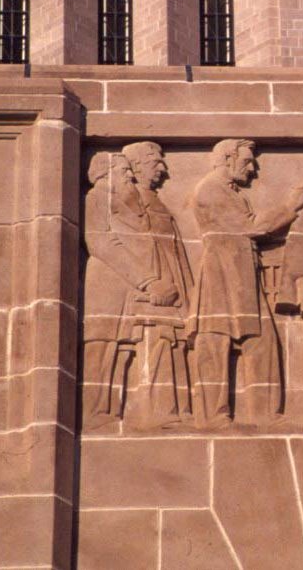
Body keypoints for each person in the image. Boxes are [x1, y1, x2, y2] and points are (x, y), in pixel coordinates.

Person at [188, 139, 303, 429]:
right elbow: (253, 226)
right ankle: (213, 416)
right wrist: (291, 206)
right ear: (226, 159)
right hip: (222, 272)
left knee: (261, 340)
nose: (252, 170)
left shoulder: (229, 191)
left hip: (240, 271)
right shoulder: (211, 189)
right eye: (247, 162)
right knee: (215, 337)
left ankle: (265, 413)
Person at [120, 141, 195, 428]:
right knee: (159, 341)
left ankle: (178, 409)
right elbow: (130, 245)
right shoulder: (131, 199)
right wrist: (152, 283)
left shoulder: (151, 199)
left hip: (174, 283)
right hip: (155, 288)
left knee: (173, 343)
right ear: (136, 166)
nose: (163, 169)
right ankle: (161, 412)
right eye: (156, 163)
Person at [82, 152, 156, 428]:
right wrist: (146, 279)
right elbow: (101, 241)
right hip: (108, 281)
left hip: (125, 284)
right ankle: (93, 411)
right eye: (124, 169)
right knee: (101, 346)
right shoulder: (96, 197)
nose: (130, 175)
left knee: (122, 347)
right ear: (105, 172)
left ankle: (109, 411)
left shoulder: (119, 201)